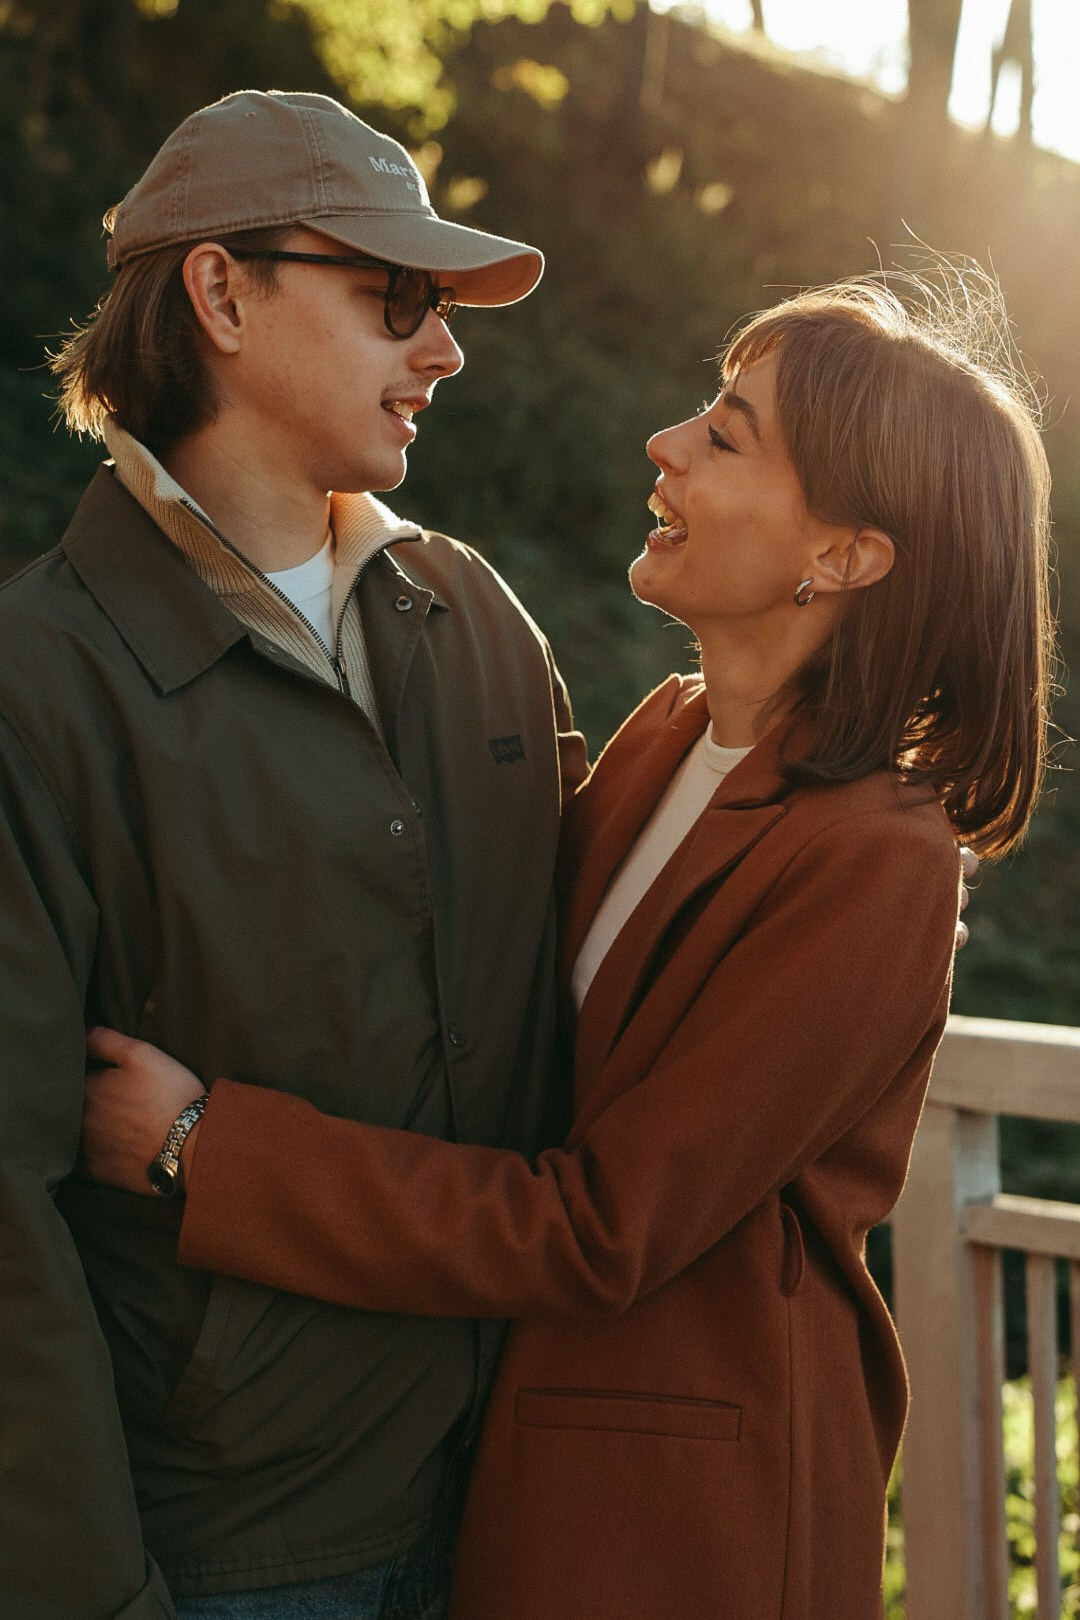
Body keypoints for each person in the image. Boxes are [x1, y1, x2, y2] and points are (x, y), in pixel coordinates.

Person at [83, 273, 1052, 1620]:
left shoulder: (878, 856)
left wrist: (210, 1149)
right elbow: (479, 979)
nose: (665, 446)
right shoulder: (665, 734)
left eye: (725, 436)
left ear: (845, 555)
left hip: (686, 1519)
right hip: (511, 1450)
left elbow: (603, 1227)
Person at [0, 89, 587, 1620]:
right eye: (397, 297)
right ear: (221, 293)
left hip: (523, 1507)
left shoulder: (477, 624)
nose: (444, 348)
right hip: (227, 1564)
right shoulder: (35, 684)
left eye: (443, 308)